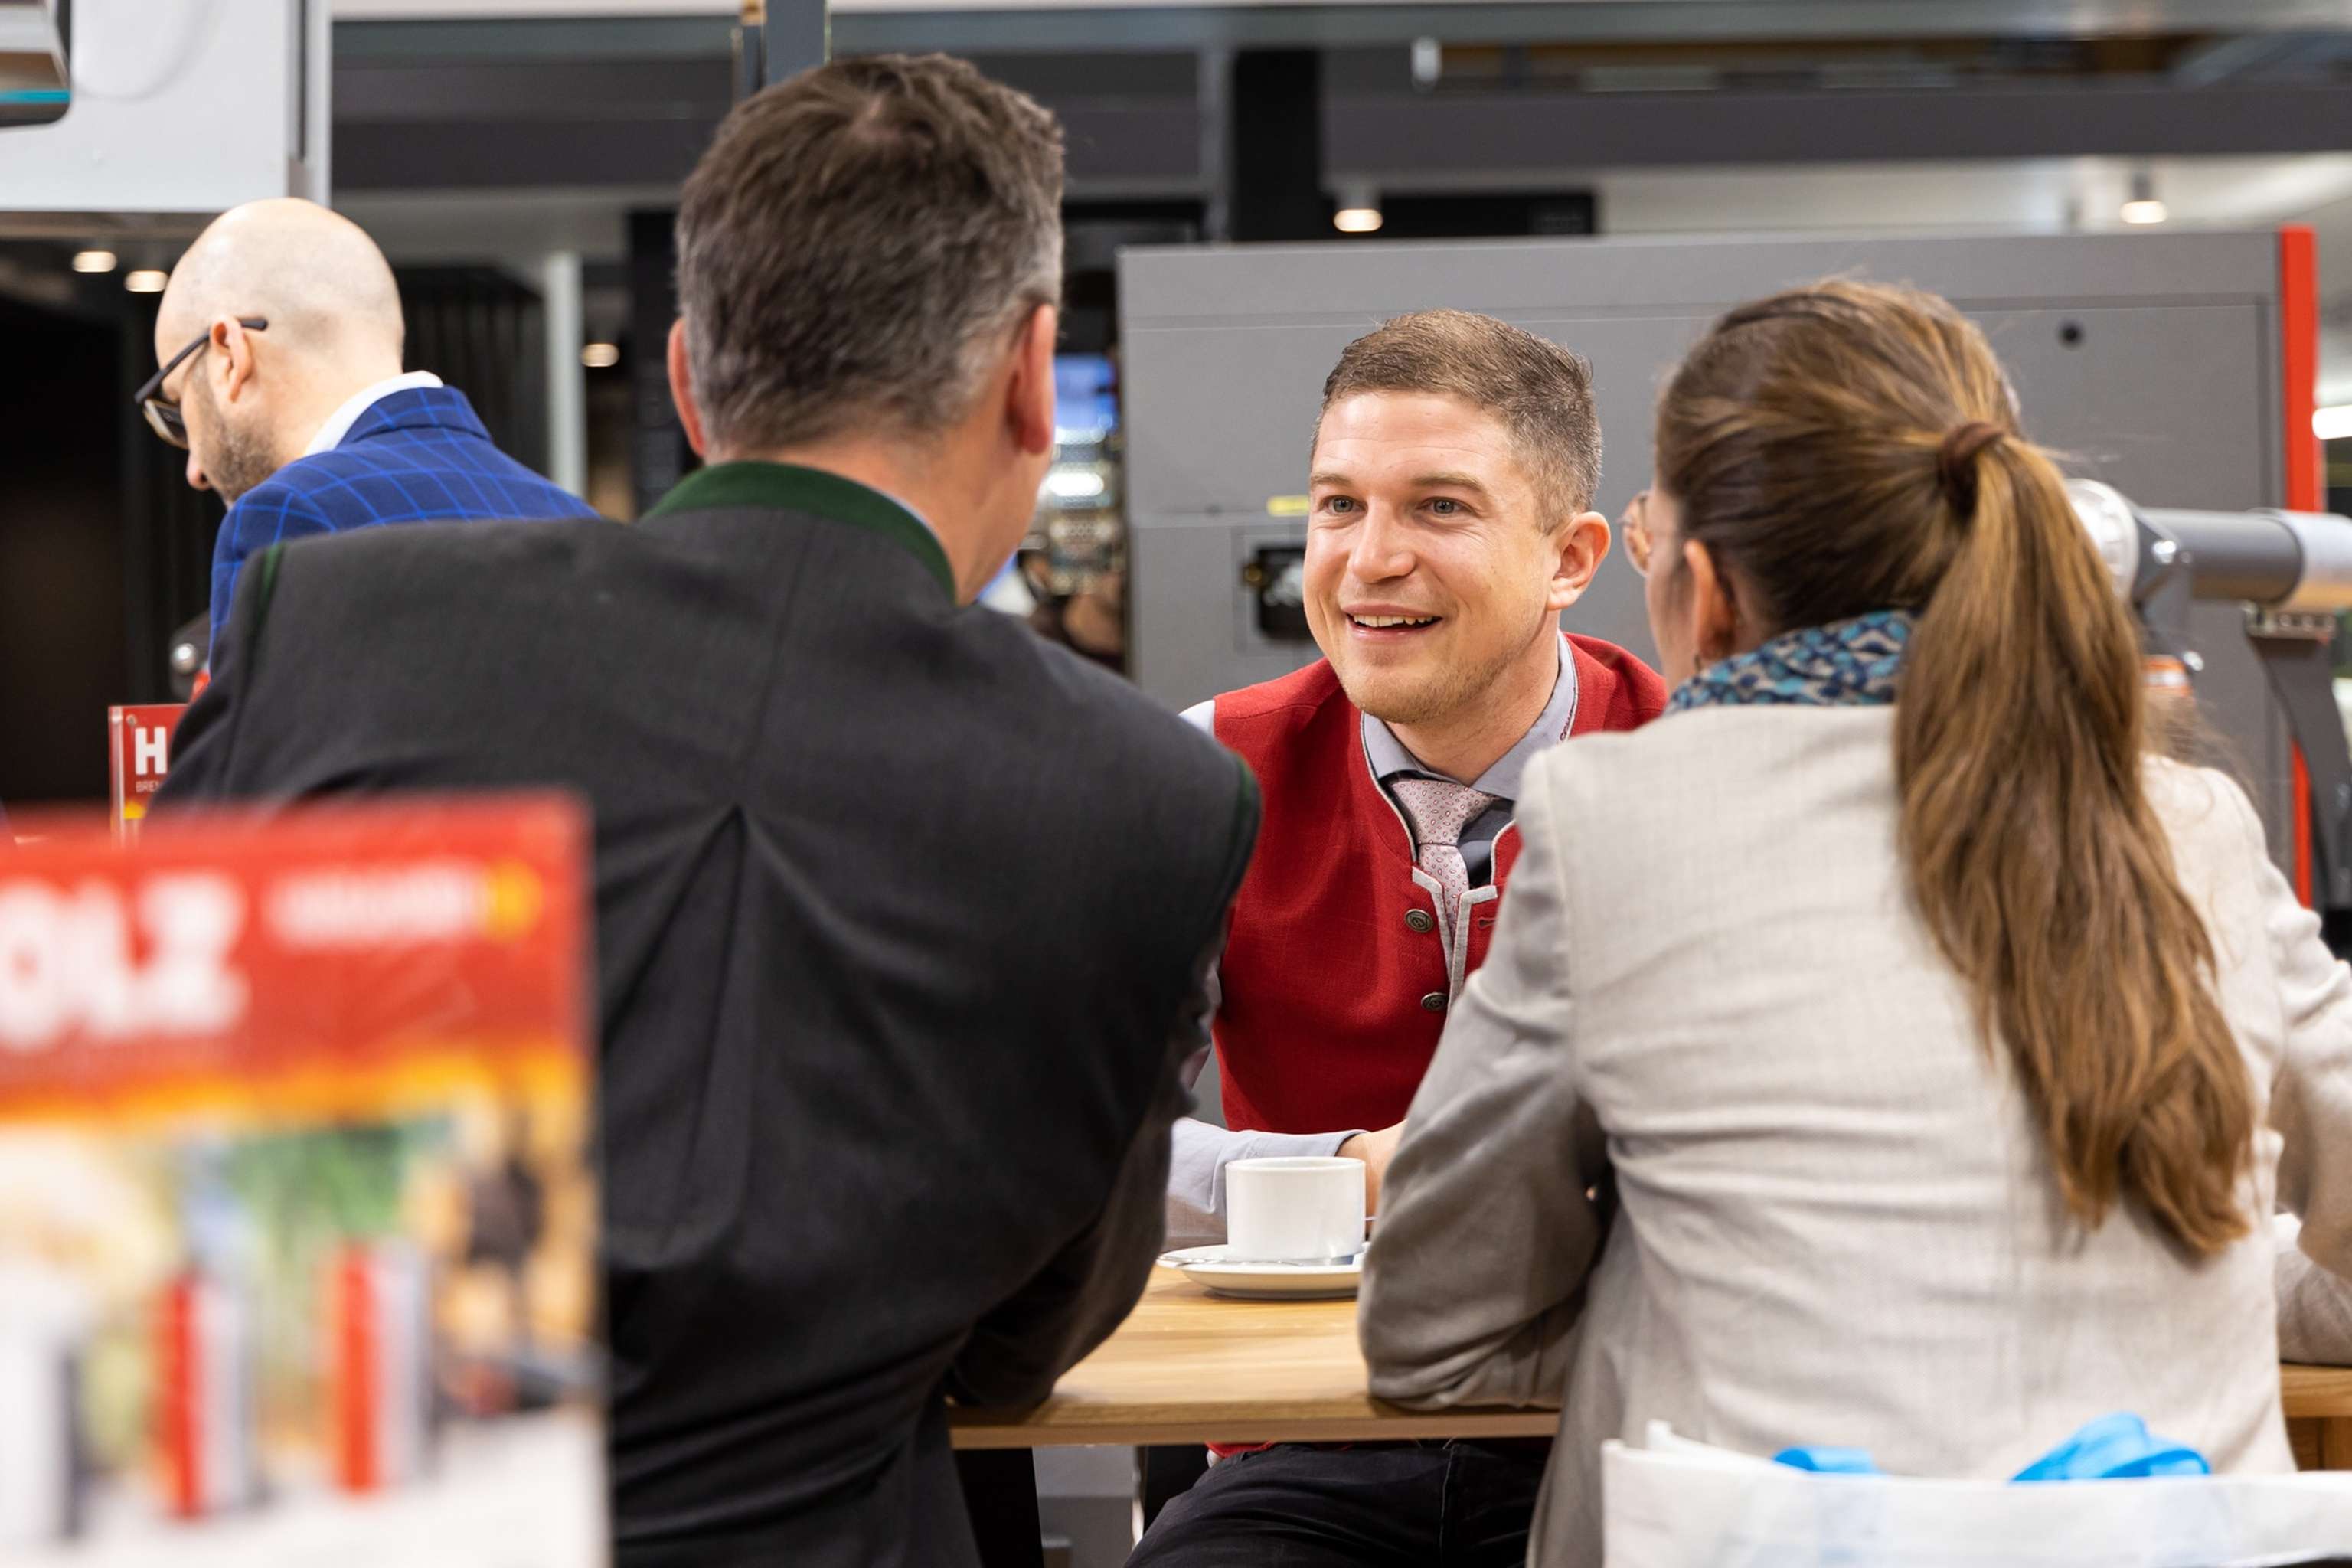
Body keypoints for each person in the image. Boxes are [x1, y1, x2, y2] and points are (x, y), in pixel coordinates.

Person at [155, 55, 1259, 1568]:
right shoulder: (1148, 798)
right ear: (1030, 378)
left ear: (686, 374)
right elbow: (1021, 1348)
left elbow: (181, 1195)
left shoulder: (328, 624)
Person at [1358, 280, 2352, 1563]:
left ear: (1701, 589)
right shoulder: (2192, 821)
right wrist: (2191, 1298)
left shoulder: (1617, 816)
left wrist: (1676, 1301)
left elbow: (1435, 1330)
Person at [1134, 310, 1667, 1566]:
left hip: (1618, 1426)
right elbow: (1082, 1133)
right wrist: (1336, 1176)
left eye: (1438, 508)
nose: (1370, 559)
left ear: (1569, 555)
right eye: (1335, 506)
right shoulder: (1199, 766)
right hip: (1297, 1431)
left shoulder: (1687, 760)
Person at [139, 198, 597, 662]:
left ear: (230, 356)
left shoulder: (288, 517)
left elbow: (262, 737)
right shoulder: (576, 521)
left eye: (179, 404)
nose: (194, 469)